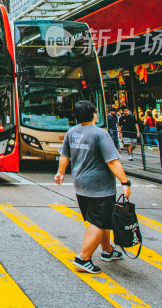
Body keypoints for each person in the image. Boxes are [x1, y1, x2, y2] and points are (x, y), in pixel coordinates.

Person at [55, 100, 131, 274]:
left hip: (81, 185)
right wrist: (125, 182)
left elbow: (64, 155)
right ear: (94, 114)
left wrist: (60, 173)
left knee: (101, 220)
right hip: (100, 187)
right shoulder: (100, 134)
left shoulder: (71, 132)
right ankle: (83, 257)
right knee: (98, 221)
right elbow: (112, 161)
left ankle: (107, 251)